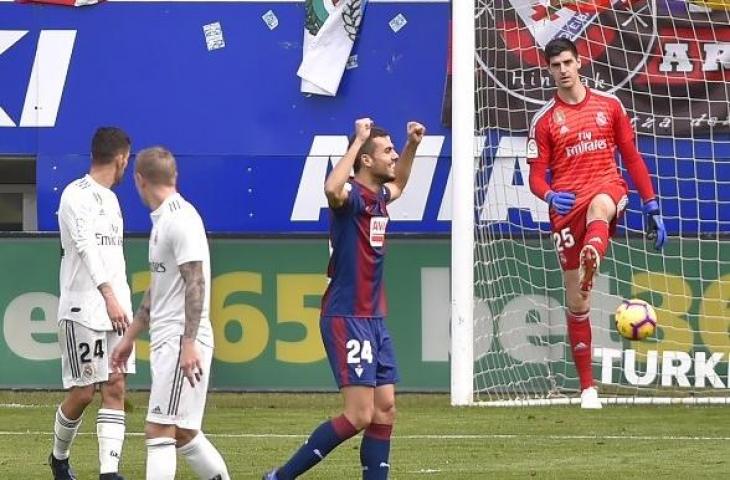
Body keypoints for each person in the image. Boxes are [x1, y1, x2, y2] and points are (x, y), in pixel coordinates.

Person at [264, 118, 425, 480]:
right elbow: (331, 187)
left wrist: (412, 145)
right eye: (388, 151)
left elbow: (399, 183)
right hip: (346, 315)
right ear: (366, 161)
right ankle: (279, 477)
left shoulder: (380, 197)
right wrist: (358, 141)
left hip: (374, 317)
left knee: (385, 410)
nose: (394, 155)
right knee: (359, 415)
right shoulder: (349, 197)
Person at [527, 38, 667, 409]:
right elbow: (537, 176)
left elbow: (632, 158)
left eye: (568, 62)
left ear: (580, 62)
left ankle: (595, 248)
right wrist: (548, 195)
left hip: (605, 188)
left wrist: (651, 204)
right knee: (577, 301)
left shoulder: (610, 106)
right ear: (549, 69)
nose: (563, 70)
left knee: (602, 206)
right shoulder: (544, 121)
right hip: (566, 208)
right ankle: (588, 388)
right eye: (555, 64)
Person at [111, 146, 230, 480]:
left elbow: (196, 281)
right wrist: (130, 337)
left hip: (180, 339)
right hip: (172, 338)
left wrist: (188, 343)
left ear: (139, 180)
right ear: (174, 176)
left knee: (159, 429)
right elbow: (160, 288)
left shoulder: (180, 219)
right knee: (183, 433)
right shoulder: (164, 219)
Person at [50, 127, 134, 480]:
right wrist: (109, 296)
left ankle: (108, 473)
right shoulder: (75, 195)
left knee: (115, 385)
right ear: (120, 158)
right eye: (127, 159)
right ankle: (59, 456)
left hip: (116, 310)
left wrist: (122, 302)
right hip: (83, 308)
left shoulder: (112, 200)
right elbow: (85, 250)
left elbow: (114, 258)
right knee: (84, 392)